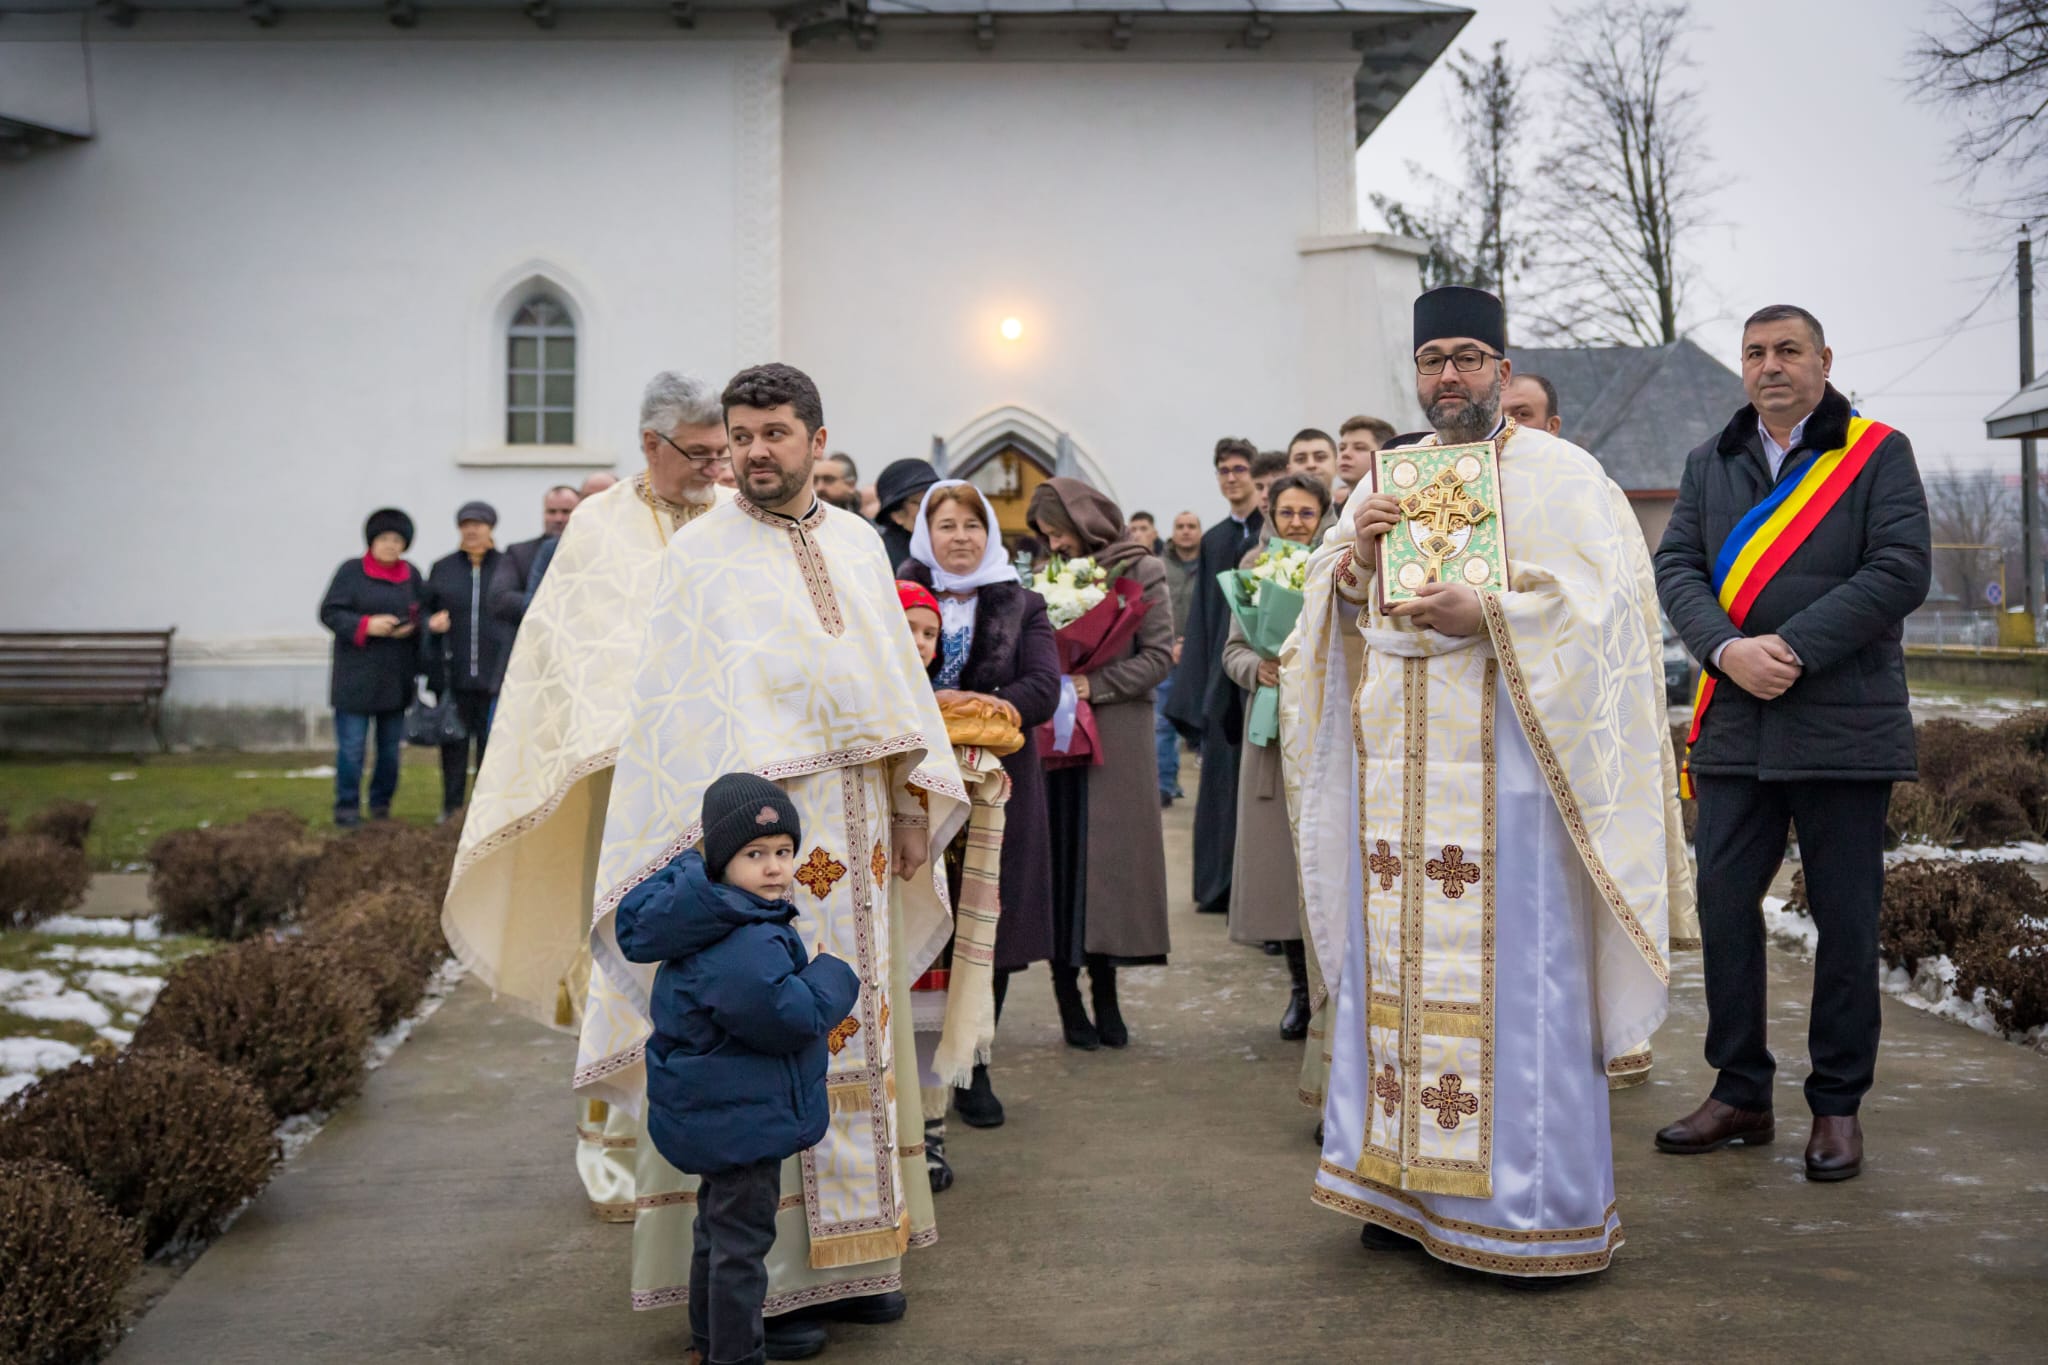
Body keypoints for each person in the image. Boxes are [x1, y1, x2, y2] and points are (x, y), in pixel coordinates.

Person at [1289, 285, 1687, 1275]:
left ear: (1502, 371)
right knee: (1394, 984)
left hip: (1512, 792)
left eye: (1467, 357)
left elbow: (1606, 616)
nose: (1449, 376)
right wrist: (1355, 560)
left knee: (1517, 987)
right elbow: (1327, 606)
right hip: (1398, 795)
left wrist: (1492, 613)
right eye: (1433, 360)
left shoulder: (1567, 477)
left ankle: (1525, 1210)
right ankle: (1397, 1190)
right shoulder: (1386, 476)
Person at [577, 363, 967, 1351]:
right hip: (754, 858)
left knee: (860, 1037)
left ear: (815, 440)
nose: (754, 451)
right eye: (741, 435)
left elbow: (892, 688)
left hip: (859, 837)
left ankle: (858, 1262)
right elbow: (673, 726)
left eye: (774, 433)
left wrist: (910, 805)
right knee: (759, 1044)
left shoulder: (859, 544)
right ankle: (765, 1291)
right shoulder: (699, 556)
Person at [441, 371, 732, 1224]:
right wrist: (638, 724)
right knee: (630, 952)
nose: (714, 467)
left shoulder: (733, 518)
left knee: (723, 956)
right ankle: (619, 1155)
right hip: (625, 784)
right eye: (698, 452)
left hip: (722, 780)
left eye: (720, 451)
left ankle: (719, 1145)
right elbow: (569, 649)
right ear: (650, 444)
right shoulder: (602, 524)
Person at [1653, 304, 1930, 1183]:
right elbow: (1677, 567)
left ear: (1823, 360)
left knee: (1844, 921)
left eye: (1787, 350)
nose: (1770, 365)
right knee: (1724, 907)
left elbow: (1900, 569)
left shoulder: (1877, 453)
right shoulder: (1710, 459)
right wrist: (1726, 649)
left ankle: (1838, 1105)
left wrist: (1795, 647)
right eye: (1755, 352)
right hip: (1736, 723)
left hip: (1844, 724)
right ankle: (1740, 1090)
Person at [614, 774, 860, 1365]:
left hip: (725, 1112)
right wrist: (832, 974)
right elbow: (786, 1017)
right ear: (722, 861)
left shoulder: (714, 917)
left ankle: (709, 1345)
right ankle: (734, 1355)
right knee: (740, 1249)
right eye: (755, 854)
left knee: (718, 1235)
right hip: (743, 1118)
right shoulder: (740, 938)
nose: (774, 868)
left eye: (783, 851)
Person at [898, 480, 1060, 1126]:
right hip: (914, 785)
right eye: (947, 525)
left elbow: (1042, 687)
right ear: (926, 533)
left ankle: (974, 1063)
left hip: (998, 789)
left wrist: (977, 705)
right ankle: (918, 1061)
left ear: (990, 533)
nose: (960, 537)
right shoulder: (895, 593)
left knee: (987, 922)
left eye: (972, 525)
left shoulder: (1023, 603)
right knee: (922, 914)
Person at [1026, 478, 1174, 1049]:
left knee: (1106, 872)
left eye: (1059, 531)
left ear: (1084, 521)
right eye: (1046, 535)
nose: (1055, 544)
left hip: (1114, 739)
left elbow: (1158, 656)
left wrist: (1094, 684)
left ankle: (1106, 995)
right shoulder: (1046, 574)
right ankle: (1067, 999)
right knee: (1060, 863)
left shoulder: (1142, 569)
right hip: (1054, 739)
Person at [895, 579, 1019, 1192]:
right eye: (909, 629)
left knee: (930, 1020)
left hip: (941, 881)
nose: (921, 642)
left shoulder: (950, 711)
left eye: (931, 633)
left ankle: (930, 1135)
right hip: (891, 887)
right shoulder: (877, 706)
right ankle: (890, 1135)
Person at [1221, 473, 1327, 1039]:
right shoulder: (1254, 567)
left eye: (1307, 513)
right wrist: (1257, 667)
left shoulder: (1343, 562)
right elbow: (1234, 649)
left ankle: (1332, 990)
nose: (1296, 523)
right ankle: (1299, 989)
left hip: (1329, 725)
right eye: (1287, 512)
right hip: (1273, 730)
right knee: (1282, 866)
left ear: (1323, 515)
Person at [1163, 439, 1264, 916]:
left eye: (1240, 468)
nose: (1232, 477)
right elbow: (1204, 616)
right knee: (1220, 783)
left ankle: (1253, 892)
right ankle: (1216, 886)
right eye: (1224, 470)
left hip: (1260, 669)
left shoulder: (1269, 531)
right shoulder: (1216, 539)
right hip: (1222, 676)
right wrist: (1198, 688)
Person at [319, 508, 438, 827]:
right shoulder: (351, 572)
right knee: (352, 750)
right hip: (354, 679)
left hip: (395, 679)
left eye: (397, 540)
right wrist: (366, 625)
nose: (390, 545)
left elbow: (422, 613)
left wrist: (413, 627)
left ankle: (381, 805)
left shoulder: (411, 576)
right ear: (372, 541)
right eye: (384, 538)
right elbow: (330, 612)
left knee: (389, 753)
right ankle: (347, 808)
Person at [423, 501, 512, 820]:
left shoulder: (506, 566)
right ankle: (451, 808)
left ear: (491, 528)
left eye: (478, 524)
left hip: (495, 677)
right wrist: (430, 624)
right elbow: (423, 609)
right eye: (466, 524)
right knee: (454, 746)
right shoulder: (443, 568)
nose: (472, 530)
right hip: (454, 677)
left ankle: (484, 813)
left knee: (491, 749)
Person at [1156, 511, 1203, 806]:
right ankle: (1163, 785)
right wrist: (1170, 644)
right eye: (1180, 526)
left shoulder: (1210, 562)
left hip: (1201, 657)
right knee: (1163, 724)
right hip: (1167, 657)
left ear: (1200, 531)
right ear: (1172, 532)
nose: (1186, 531)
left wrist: (1194, 644)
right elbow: (1153, 611)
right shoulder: (1159, 566)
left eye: (1191, 526)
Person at [488, 485, 580, 629]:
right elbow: (500, 598)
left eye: (566, 512)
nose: (558, 518)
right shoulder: (518, 553)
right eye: (552, 512)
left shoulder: (590, 552)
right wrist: (552, 608)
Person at [872, 458, 941, 571]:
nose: (935, 509)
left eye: (938, 500)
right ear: (898, 515)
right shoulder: (884, 561)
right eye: (923, 503)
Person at [1335, 415, 1396, 494]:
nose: (1345, 454)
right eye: (1342, 448)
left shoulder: (1402, 501)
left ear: (1385, 455)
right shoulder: (1331, 502)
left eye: (1359, 448)